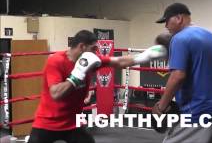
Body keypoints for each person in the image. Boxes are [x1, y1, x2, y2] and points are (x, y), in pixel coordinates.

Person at [29, 30, 167, 143]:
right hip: (47, 123)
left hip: (73, 123)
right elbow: (56, 94)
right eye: (94, 48)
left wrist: (146, 55)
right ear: (82, 46)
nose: (97, 52)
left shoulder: (93, 59)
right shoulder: (56, 61)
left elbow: (119, 61)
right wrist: (77, 74)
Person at [152, 3, 212, 143]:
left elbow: (178, 76)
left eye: (167, 21)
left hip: (200, 112)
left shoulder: (179, 38)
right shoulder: (209, 35)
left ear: (178, 18)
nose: (166, 26)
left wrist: (161, 106)